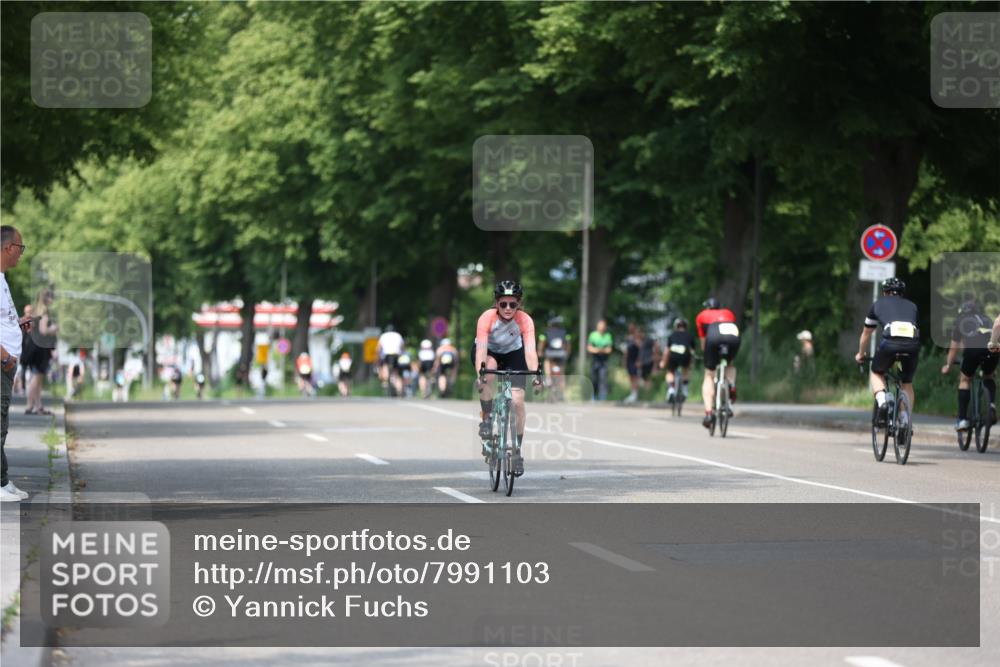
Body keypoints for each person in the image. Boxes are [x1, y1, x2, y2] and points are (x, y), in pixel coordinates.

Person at [473, 280, 541, 476]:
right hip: (490, 353)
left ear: (519, 304)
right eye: (503, 304)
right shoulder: (487, 318)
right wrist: (481, 375)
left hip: (513, 354)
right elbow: (481, 351)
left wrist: (536, 374)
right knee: (490, 370)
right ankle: (486, 419)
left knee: (518, 401)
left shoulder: (525, 320)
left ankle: (517, 453)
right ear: (496, 303)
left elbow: (529, 352)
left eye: (513, 304)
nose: (508, 308)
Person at [854, 277, 920, 427]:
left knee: (876, 372)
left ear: (884, 292)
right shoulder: (912, 306)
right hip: (912, 345)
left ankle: (883, 401)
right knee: (907, 382)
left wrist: (861, 354)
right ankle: (904, 420)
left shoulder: (877, 304)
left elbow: (866, 334)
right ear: (902, 293)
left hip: (890, 343)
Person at [1, 225, 33, 502]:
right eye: (20, 248)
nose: (21, 254)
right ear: (9, 247)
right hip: (2, 363)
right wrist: (5, 358)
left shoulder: (2, 278)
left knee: (3, 423)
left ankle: (3, 480)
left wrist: (17, 325)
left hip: (7, 364)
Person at [941, 299, 997, 431]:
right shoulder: (986, 318)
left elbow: (954, 347)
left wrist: (948, 365)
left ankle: (962, 420)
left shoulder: (961, 319)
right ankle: (991, 407)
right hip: (993, 349)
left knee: (965, 380)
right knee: (989, 376)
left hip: (973, 350)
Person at [696, 297, 741, 429]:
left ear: (707, 307)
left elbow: (704, 342)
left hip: (714, 334)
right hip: (732, 334)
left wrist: (707, 358)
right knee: (730, 363)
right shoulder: (728, 313)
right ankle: (731, 385)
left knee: (709, 375)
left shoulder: (701, 316)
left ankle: (709, 414)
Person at [24, 287, 58, 415]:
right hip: (41, 349)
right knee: (37, 377)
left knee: (38, 377)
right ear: (46, 298)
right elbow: (44, 330)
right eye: (51, 297)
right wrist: (54, 328)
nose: (52, 300)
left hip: (35, 347)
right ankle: (29, 405)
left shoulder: (36, 310)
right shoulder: (44, 312)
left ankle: (38, 406)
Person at [660, 317, 695, 404]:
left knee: (670, 371)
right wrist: (691, 363)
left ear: (676, 326)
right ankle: (685, 389)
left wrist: (663, 362)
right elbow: (692, 352)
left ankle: (671, 390)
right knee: (685, 370)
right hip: (685, 355)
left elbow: (666, 351)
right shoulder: (689, 335)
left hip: (673, 355)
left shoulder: (672, 335)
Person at [538, 316, 571, 397]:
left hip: (550, 354)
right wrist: (567, 353)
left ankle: (548, 378)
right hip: (561, 354)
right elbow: (568, 344)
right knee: (562, 373)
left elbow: (542, 343)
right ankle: (563, 393)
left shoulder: (546, 332)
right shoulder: (564, 332)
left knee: (547, 362)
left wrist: (540, 352)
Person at [587, 319, 613, 401]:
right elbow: (589, 348)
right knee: (594, 379)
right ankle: (593, 396)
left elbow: (609, 349)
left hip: (604, 361)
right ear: (597, 327)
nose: (601, 328)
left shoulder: (608, 336)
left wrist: (599, 350)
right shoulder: (593, 335)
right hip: (595, 360)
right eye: (600, 326)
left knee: (603, 378)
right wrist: (599, 350)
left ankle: (602, 397)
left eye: (603, 326)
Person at [376, 324, 405, 395]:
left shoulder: (383, 336)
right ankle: (399, 389)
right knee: (396, 373)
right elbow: (402, 347)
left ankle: (385, 382)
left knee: (384, 367)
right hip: (396, 355)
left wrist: (378, 356)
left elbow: (378, 348)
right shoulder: (398, 335)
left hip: (387, 355)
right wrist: (401, 353)